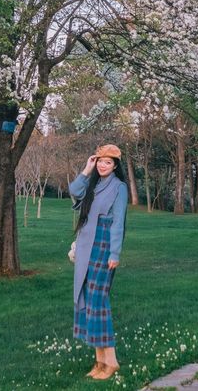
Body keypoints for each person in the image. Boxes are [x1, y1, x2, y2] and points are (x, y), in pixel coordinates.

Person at [69, 143, 128, 381]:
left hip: (103, 246)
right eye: (100, 161)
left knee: (98, 301)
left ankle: (111, 361)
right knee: (86, 300)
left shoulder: (119, 187)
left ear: (115, 166)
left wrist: (114, 254)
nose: (103, 166)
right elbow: (74, 190)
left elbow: (118, 222)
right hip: (86, 245)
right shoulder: (92, 184)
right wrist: (86, 169)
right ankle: (99, 360)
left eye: (108, 162)